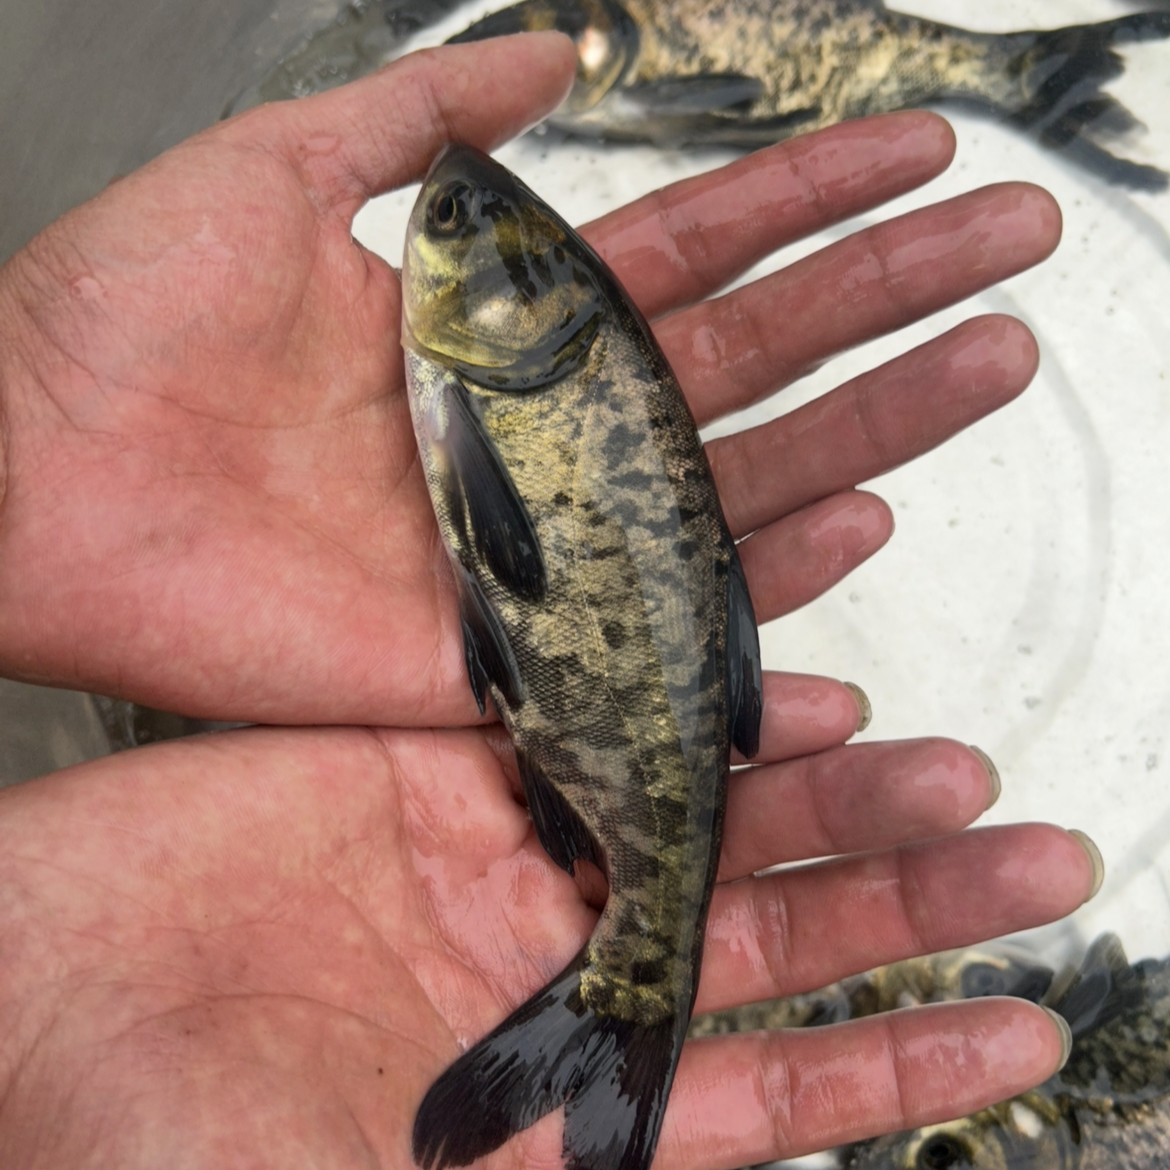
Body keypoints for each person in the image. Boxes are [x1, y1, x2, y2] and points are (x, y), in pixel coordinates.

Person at [0, 31, 1098, 1170]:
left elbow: (505, 547)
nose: (439, 223)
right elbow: (505, 547)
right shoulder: (491, 374)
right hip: (627, 709)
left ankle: (629, 998)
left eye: (455, 231)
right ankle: (630, 1007)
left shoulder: (479, 379)